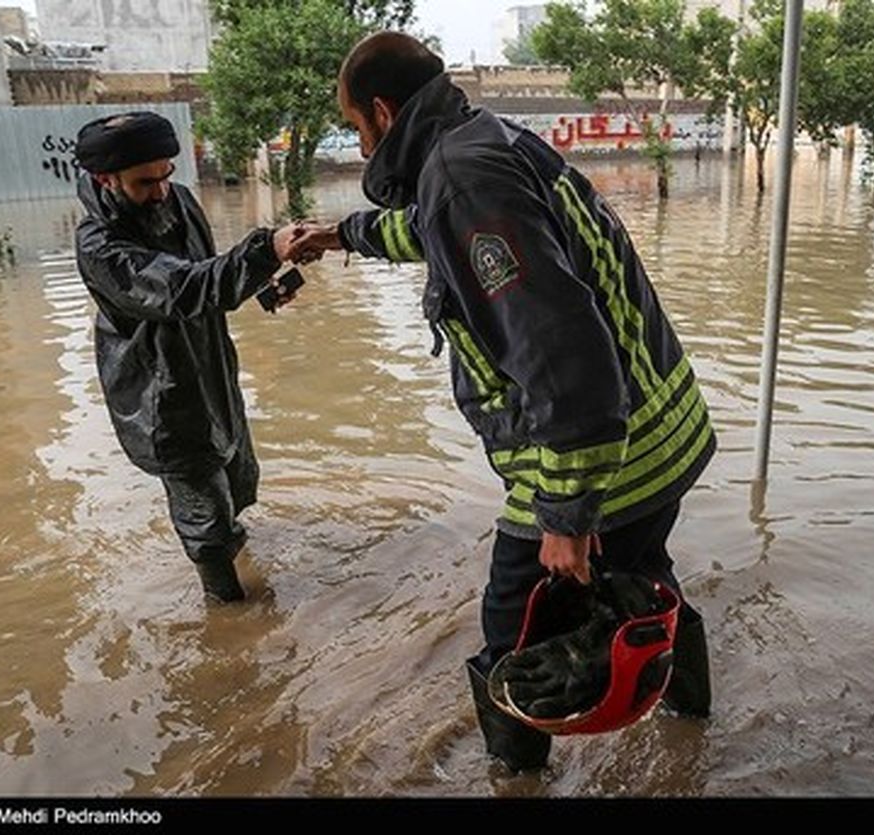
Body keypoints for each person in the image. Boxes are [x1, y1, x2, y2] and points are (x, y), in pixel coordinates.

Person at [303, 32, 717, 772]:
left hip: (604, 449)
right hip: (664, 425)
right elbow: (436, 232)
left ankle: (515, 777)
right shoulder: (483, 144)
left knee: (511, 623)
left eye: (359, 130)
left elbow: (564, 357)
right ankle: (693, 726)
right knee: (642, 579)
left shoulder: (461, 177)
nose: (362, 147)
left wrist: (565, 515)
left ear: (382, 112)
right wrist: (340, 235)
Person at [74, 111, 316, 604]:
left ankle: (242, 575)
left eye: (166, 175)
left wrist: (261, 282)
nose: (162, 191)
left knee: (238, 484)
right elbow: (182, 290)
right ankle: (228, 624)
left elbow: (206, 273)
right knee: (206, 528)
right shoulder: (100, 246)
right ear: (105, 179)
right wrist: (266, 249)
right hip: (161, 398)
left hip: (212, 373)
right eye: (145, 182)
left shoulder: (178, 200)